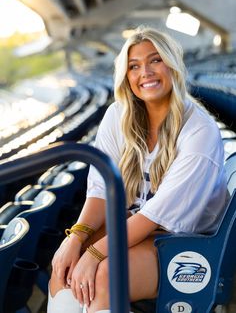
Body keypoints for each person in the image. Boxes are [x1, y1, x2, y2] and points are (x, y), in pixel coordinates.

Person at [47, 26, 228, 313]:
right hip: (134, 227)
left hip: (183, 241)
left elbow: (156, 216)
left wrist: (94, 254)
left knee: (106, 277)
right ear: (126, 75)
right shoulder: (117, 115)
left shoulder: (199, 130)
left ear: (173, 65)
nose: (145, 72)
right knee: (63, 271)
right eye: (134, 66)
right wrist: (76, 238)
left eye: (155, 60)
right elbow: (100, 190)